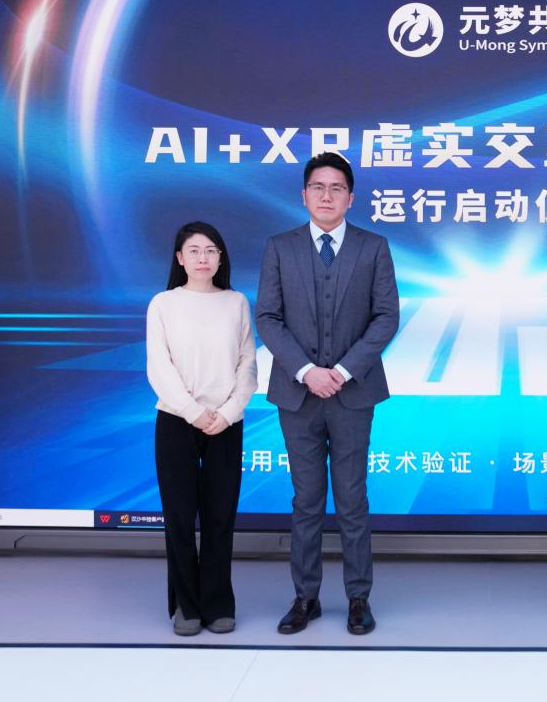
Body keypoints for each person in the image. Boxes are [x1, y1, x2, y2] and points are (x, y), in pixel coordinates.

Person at [256, 151, 399, 636]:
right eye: (318, 187)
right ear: (304, 195)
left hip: (352, 393)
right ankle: (306, 597)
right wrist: (305, 371)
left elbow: (386, 317)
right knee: (306, 500)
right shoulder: (280, 247)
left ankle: (359, 598)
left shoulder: (373, 247)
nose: (326, 196)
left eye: (337, 188)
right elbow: (267, 318)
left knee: (353, 499)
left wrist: (339, 370)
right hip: (297, 395)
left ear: (350, 198)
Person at [146, 221, 257, 637]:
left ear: (220, 257)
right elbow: (159, 367)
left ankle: (217, 603)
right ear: (180, 258)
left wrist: (227, 412)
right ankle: (186, 606)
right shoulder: (163, 304)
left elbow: (248, 364)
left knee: (219, 516)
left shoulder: (236, 302)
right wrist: (192, 412)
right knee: (178, 516)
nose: (203, 258)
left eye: (211, 250)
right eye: (194, 251)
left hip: (226, 422)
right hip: (177, 420)